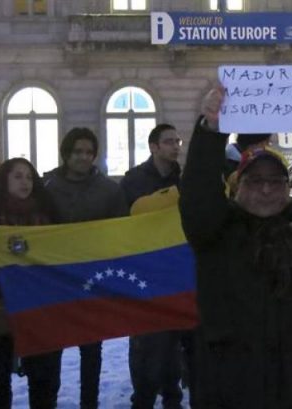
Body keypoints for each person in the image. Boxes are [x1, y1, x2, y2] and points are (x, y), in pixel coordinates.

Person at [178, 84, 292, 408]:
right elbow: (198, 192)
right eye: (255, 180)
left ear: (288, 187)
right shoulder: (213, 233)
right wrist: (211, 130)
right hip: (227, 387)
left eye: (276, 181)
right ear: (237, 186)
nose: (267, 190)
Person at [43, 127, 128, 409]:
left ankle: (89, 403)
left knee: (91, 350)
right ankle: (48, 401)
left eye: (89, 152)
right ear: (66, 153)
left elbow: (121, 231)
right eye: (78, 151)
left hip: (93, 281)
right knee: (51, 348)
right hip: (55, 282)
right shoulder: (47, 189)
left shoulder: (109, 190)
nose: (84, 157)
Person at [0, 158, 62, 408]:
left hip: (40, 306)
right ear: (4, 181)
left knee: (43, 377)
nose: (25, 182)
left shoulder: (50, 216)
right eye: (18, 176)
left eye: (29, 177)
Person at [119, 124, 192, 409]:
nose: (176, 146)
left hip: (176, 274)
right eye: (168, 141)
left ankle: (172, 397)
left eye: (178, 140)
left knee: (174, 345)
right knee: (146, 348)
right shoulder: (134, 181)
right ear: (153, 147)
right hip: (144, 275)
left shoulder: (186, 179)